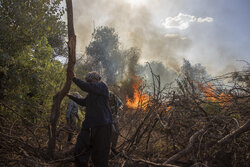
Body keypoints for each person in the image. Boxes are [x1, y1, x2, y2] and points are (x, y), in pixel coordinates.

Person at [67, 71, 113, 167]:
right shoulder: (91, 93)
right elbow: (84, 102)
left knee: (100, 154)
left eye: (90, 81)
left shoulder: (102, 86)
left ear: (96, 79)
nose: (88, 83)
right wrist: (70, 96)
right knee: (80, 149)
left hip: (103, 126)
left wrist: (74, 78)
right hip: (89, 125)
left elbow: (87, 87)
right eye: (87, 81)